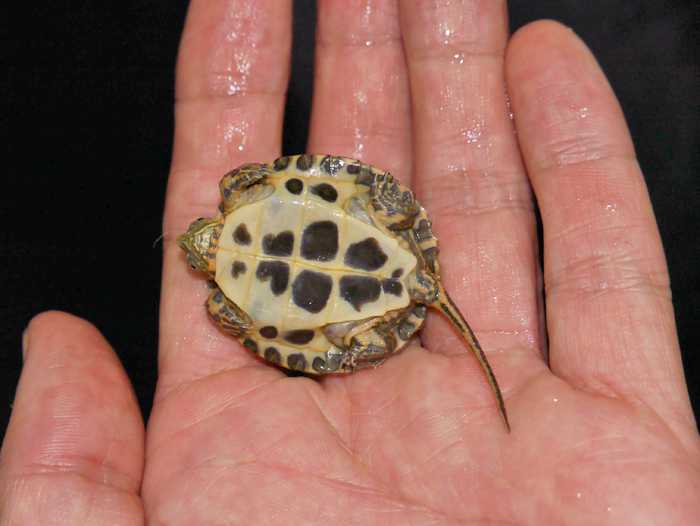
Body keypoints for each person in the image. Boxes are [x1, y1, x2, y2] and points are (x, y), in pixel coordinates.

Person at [2, 0, 699, 523]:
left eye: (201, 240)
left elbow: (265, 326)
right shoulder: (243, 210)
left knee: (321, 327)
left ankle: (384, 312)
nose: (195, 244)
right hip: (349, 255)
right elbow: (287, 199)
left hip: (347, 279)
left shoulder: (225, 294)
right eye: (201, 246)